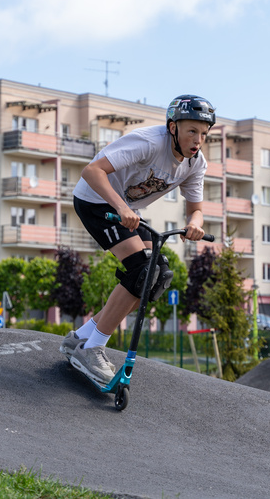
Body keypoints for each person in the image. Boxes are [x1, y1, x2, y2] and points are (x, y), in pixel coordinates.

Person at [60, 94, 215, 384]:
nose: (198, 140)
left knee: (157, 276)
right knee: (141, 270)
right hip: (96, 201)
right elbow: (92, 171)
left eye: (204, 134)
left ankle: (80, 338)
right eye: (192, 131)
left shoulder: (195, 163)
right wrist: (121, 208)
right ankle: (92, 348)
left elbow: (196, 210)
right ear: (173, 128)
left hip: (127, 210)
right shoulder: (149, 142)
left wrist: (194, 224)